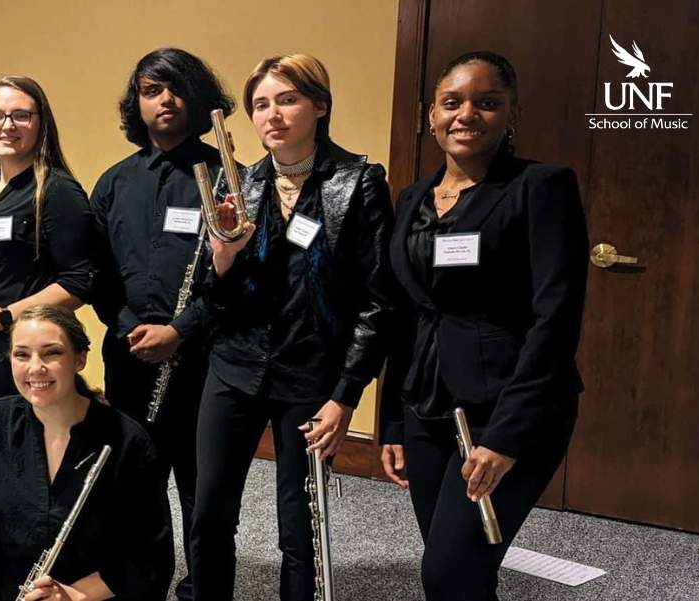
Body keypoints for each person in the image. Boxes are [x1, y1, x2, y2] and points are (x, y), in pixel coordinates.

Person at [379, 50, 587, 600]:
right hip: (426, 406)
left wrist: (506, 436)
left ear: (512, 115)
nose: (466, 114)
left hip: (508, 410)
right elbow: (406, 311)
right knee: (459, 570)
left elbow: (555, 320)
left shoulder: (541, 188)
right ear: (430, 114)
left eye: (487, 103)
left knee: (449, 571)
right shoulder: (413, 198)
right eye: (452, 102)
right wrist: (394, 426)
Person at [189, 54, 393, 601]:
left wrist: (345, 395)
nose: (272, 114)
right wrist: (224, 256)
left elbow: (379, 303)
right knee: (208, 513)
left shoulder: (358, 183)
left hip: (309, 376)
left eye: (287, 99)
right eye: (260, 104)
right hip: (234, 366)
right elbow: (212, 299)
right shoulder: (242, 185)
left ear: (319, 106)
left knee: (300, 525)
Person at [87, 47, 234, 601]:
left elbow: (240, 280)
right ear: (138, 104)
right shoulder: (114, 181)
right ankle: (141, 586)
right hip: (130, 355)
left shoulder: (228, 178)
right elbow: (96, 275)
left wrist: (181, 330)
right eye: (152, 90)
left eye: (175, 88)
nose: (165, 100)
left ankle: (203, 589)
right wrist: (131, 329)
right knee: (136, 483)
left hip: (205, 360)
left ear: (196, 98)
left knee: (202, 489)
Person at [0, 305, 173, 600]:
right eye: (22, 354)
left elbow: (146, 551)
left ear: (79, 360)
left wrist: (71, 596)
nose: (35, 368)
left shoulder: (128, 441)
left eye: (52, 353)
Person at [0, 76, 96, 430]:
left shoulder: (58, 191)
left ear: (40, 123)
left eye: (21, 116)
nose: (7, 126)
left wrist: (6, 317)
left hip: (26, 353)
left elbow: (79, 282)